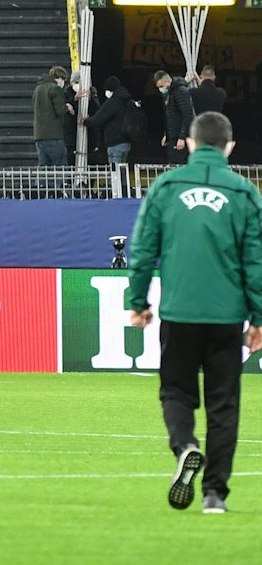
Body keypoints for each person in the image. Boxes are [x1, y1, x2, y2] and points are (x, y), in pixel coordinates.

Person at [125, 111, 262, 516]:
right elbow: (255, 260)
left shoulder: (166, 186)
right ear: (229, 147)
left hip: (180, 312)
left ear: (190, 142)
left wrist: (138, 302)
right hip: (225, 316)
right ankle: (214, 494)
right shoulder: (245, 192)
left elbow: (143, 247)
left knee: (176, 392)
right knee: (224, 405)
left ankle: (185, 446)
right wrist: (258, 317)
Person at [88, 76, 145, 167]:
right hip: (127, 142)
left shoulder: (114, 101)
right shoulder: (127, 100)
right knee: (122, 172)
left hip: (115, 142)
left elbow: (98, 119)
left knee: (115, 175)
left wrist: (86, 121)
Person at [31, 66, 75, 166]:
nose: (63, 82)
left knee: (43, 166)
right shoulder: (55, 88)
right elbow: (59, 110)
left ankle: (41, 182)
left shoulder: (38, 89)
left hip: (39, 135)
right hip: (53, 135)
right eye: (63, 79)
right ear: (59, 78)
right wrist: (67, 107)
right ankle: (59, 182)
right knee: (60, 165)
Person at [156, 72, 197, 162]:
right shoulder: (169, 94)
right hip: (174, 137)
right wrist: (167, 134)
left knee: (179, 165)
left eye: (161, 86)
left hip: (181, 138)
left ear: (168, 81)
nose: (161, 89)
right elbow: (170, 117)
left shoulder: (180, 92)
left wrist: (182, 137)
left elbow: (187, 115)